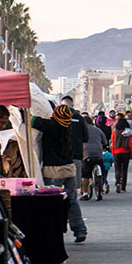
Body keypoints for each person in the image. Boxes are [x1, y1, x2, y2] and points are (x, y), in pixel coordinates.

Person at [34, 104, 87, 243]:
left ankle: (54, 230)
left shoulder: (51, 125)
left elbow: (31, 120)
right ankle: (79, 229)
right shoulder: (68, 126)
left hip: (53, 172)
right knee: (72, 201)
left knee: (52, 202)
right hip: (69, 169)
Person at [80, 114, 107, 202]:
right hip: (98, 153)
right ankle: (100, 189)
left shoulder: (81, 130)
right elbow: (105, 141)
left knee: (85, 175)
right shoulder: (97, 129)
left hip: (87, 154)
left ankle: (85, 193)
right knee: (101, 173)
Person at [110, 113, 132, 193]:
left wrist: (113, 153)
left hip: (117, 152)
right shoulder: (128, 132)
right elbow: (129, 144)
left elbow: (113, 143)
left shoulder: (114, 132)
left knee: (117, 169)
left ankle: (117, 182)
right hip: (126, 152)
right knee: (125, 169)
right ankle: (123, 187)